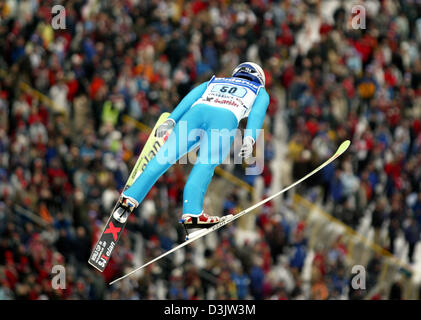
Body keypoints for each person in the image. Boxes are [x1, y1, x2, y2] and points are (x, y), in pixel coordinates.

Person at [115, 62, 269, 230]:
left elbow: (190, 98)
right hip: (225, 117)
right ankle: (192, 214)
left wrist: (171, 120)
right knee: (205, 163)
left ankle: (129, 198)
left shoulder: (215, 81)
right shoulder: (259, 90)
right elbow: (257, 113)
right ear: (259, 77)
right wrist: (250, 139)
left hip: (195, 113)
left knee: (165, 156)